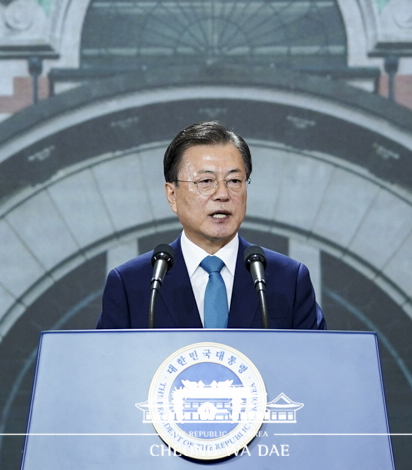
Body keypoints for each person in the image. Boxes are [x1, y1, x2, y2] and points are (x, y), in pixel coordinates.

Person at [96, 121, 326, 330]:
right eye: (206, 181)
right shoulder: (132, 283)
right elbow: (107, 368)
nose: (223, 194)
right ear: (172, 195)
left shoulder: (288, 279)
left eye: (235, 181)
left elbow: (319, 363)